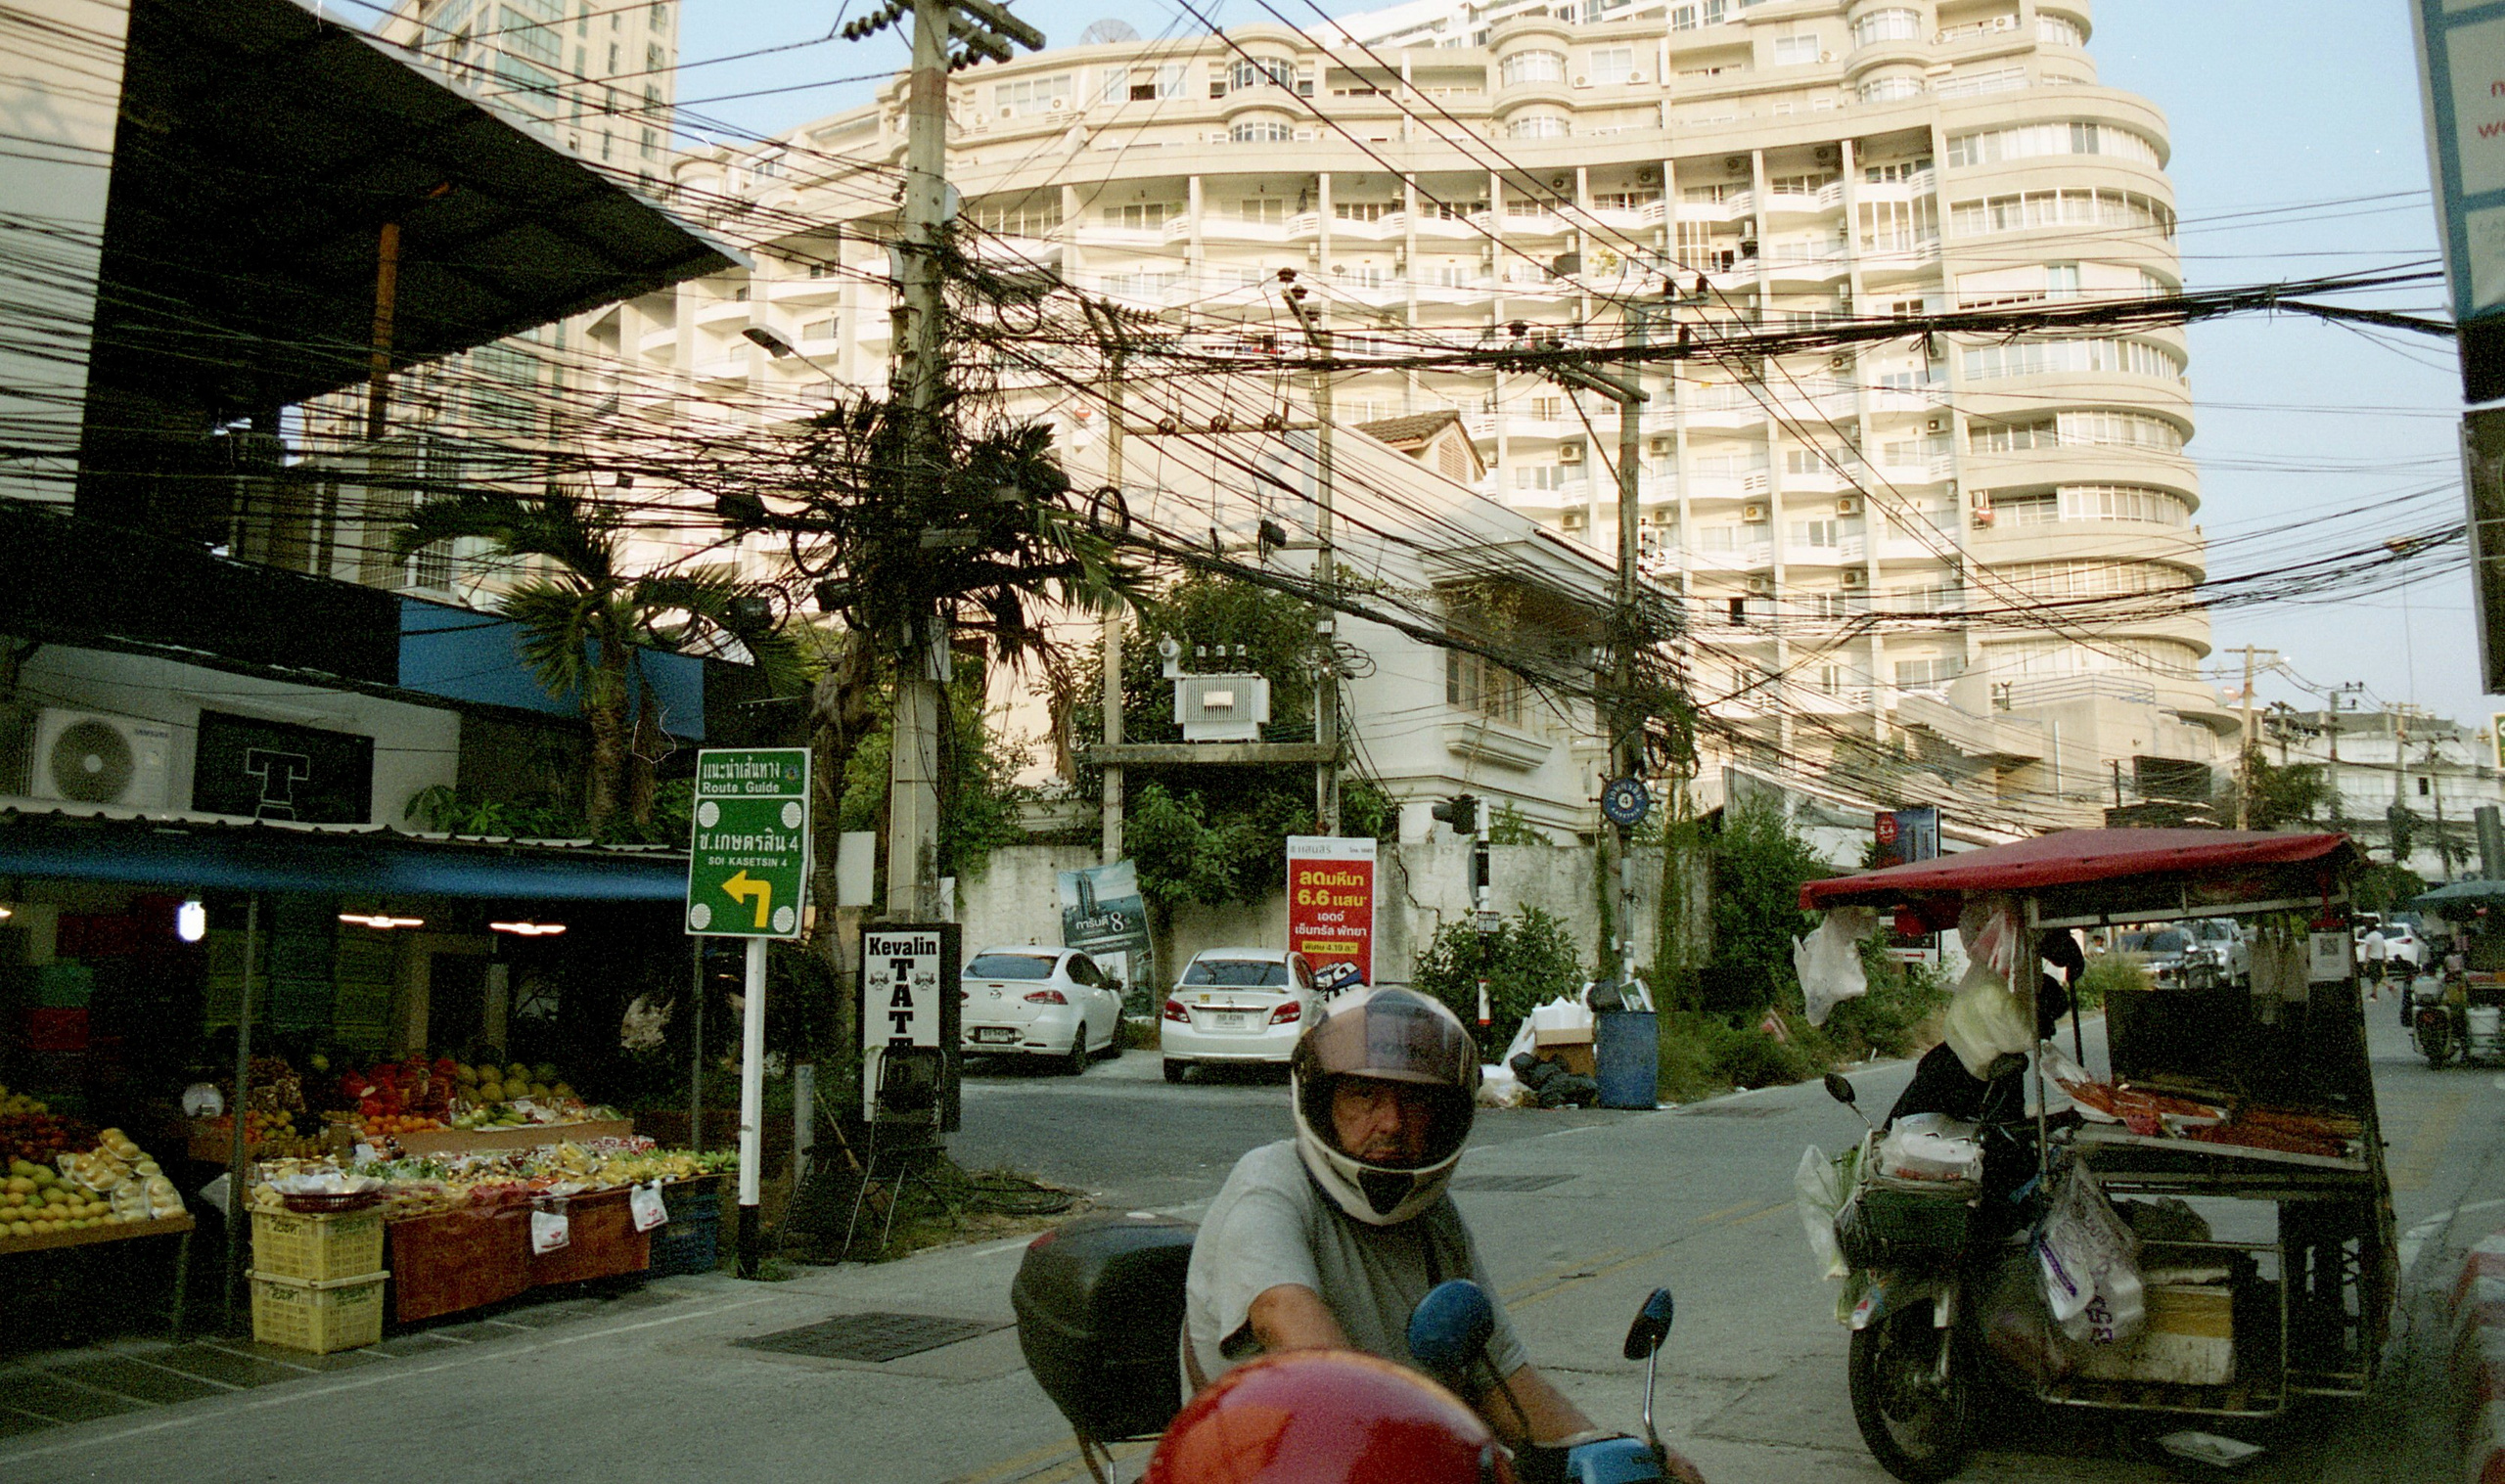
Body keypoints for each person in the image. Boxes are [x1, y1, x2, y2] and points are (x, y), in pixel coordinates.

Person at [1181, 986, 1707, 1484]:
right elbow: (1287, 1319)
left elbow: (1501, 1379)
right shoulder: (1270, 1185)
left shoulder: (1433, 1220)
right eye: (1364, 1095)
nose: (1389, 1122)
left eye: (1415, 1101)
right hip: (1272, 1467)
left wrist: (1606, 1451)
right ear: (1323, 1100)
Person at [2360, 926, 2388, 999]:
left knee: (2373, 977)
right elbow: (2384, 947)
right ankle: (2375, 992)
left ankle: (2374, 994)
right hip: (2380, 958)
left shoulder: (2369, 937)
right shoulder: (2380, 935)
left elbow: (2368, 949)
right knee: (2379, 976)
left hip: (2373, 959)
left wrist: (2365, 961)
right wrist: (2384, 957)